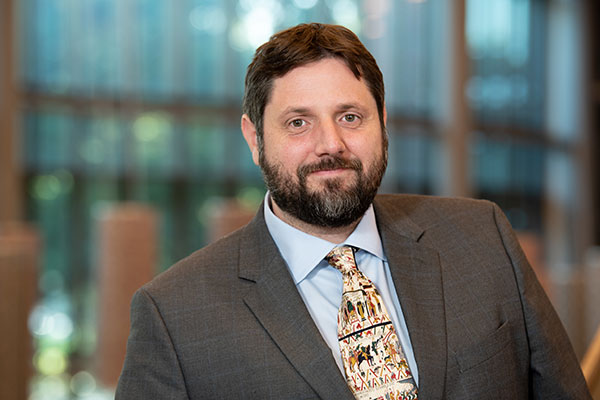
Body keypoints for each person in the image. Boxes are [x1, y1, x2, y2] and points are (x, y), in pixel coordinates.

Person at [116, 23, 591, 399]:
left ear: (382, 125)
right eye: (298, 122)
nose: (331, 145)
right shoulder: (174, 316)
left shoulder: (483, 236)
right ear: (255, 140)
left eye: (350, 117)